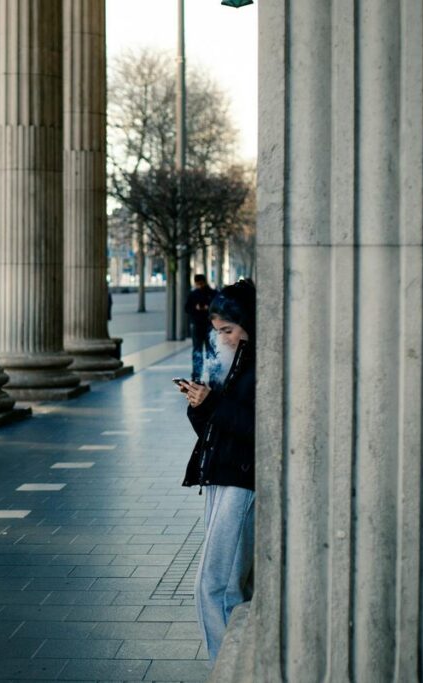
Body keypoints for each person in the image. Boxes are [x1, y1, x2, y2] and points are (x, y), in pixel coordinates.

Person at [178, 279, 255, 663]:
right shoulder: (233, 364)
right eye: (217, 331)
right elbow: (215, 430)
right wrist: (200, 404)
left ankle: (227, 669)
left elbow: (263, 430)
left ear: (250, 326)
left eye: (228, 330)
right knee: (222, 586)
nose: (220, 339)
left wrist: (213, 405)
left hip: (242, 481)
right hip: (221, 477)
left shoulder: (260, 366)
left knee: (216, 587)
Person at [185, 274, 218, 380]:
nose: (199, 286)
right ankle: (201, 375)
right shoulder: (210, 294)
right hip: (202, 326)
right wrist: (196, 308)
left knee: (207, 351)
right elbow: (187, 308)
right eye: (197, 284)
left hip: (206, 326)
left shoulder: (211, 294)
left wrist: (207, 308)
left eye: (200, 284)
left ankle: (202, 375)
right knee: (203, 351)